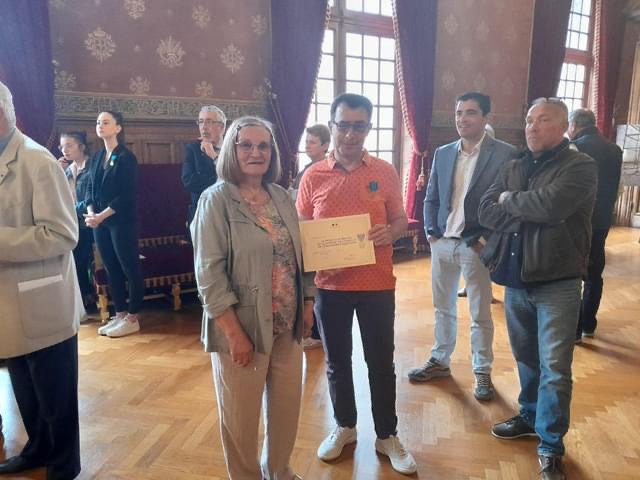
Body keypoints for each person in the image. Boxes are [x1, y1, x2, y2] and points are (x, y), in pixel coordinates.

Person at [297, 93, 417, 475]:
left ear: (368, 127)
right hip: (329, 287)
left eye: (359, 126)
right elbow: (302, 229)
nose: (350, 134)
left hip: (377, 284)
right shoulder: (313, 175)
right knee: (336, 363)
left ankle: (387, 434)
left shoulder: (384, 171)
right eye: (343, 125)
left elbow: (400, 219)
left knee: (380, 362)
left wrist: (390, 232)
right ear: (332, 126)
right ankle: (345, 426)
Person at [478, 98, 597, 480]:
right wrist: (520, 208)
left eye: (543, 120)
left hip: (557, 282)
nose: (532, 126)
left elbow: (551, 207)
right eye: (529, 119)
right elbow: (485, 209)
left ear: (563, 126)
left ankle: (551, 445)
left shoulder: (580, 166)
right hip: (516, 280)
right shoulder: (514, 163)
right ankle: (529, 416)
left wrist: (510, 201)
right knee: (526, 358)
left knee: (556, 368)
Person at [191, 116, 314, 480]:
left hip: (287, 326)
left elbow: (302, 255)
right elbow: (209, 275)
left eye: (263, 146)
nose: (255, 153)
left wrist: (308, 303)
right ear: (232, 150)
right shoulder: (215, 200)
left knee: (286, 409)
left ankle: (278, 470)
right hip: (242, 329)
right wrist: (233, 334)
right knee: (240, 419)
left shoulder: (282, 196)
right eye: (246, 145)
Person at [408, 92, 516, 401]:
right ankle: (440, 360)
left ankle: (482, 370)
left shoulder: (505, 154)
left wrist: (485, 241)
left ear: (485, 117)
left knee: (480, 313)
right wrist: (431, 232)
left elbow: (508, 205)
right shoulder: (443, 153)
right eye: (458, 113)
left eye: (470, 112)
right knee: (442, 307)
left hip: (475, 246)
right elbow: (431, 196)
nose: (462, 119)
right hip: (443, 242)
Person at [0, 80, 83, 479]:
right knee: (25, 389)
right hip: (10, 302)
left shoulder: (38, 161)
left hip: (43, 300)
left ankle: (64, 465)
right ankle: (37, 450)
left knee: (55, 395)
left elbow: (63, 234)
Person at [85, 111, 144, 338]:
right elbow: (90, 189)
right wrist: (92, 213)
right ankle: (119, 314)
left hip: (121, 222)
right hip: (100, 223)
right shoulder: (97, 157)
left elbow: (126, 195)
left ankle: (133, 317)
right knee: (111, 268)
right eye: (98, 122)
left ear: (118, 128)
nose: (100, 126)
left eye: (106, 122)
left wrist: (101, 216)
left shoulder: (126, 157)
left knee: (129, 267)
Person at [567, 109, 622, 341]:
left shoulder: (574, 148)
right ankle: (588, 323)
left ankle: (573, 329)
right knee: (594, 272)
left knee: (571, 272)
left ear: (574, 125)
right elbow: (614, 187)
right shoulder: (614, 149)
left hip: (577, 220)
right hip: (602, 219)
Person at [291, 123, 331, 350]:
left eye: (312, 142)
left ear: (325, 145)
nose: (307, 146)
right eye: (306, 141)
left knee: (315, 283)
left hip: (317, 233)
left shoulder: (326, 171)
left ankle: (315, 332)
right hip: (303, 230)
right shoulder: (306, 169)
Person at [59, 131, 96, 311]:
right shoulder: (67, 170)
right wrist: (57, 172)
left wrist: (72, 210)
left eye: (69, 145)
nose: (64, 150)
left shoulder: (92, 167)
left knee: (87, 260)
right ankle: (84, 297)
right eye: (62, 146)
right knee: (75, 260)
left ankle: (94, 295)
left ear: (81, 146)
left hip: (91, 221)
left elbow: (92, 197)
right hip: (73, 222)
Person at [181, 105, 226, 227]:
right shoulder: (193, 149)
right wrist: (223, 181)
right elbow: (189, 181)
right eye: (201, 122)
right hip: (202, 214)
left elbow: (238, 181)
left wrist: (213, 155)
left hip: (228, 212)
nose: (204, 127)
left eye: (209, 122)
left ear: (222, 127)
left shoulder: (233, 149)